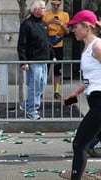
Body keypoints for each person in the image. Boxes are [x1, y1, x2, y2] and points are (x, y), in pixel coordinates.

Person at [63, 10, 101, 180]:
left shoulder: (97, 46)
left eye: (75, 26)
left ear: (86, 27)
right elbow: (91, 78)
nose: (73, 30)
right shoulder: (87, 49)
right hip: (94, 100)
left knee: (79, 144)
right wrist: (75, 92)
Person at [17, 0, 55, 120]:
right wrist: (24, 61)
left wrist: (52, 55)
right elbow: (21, 44)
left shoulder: (43, 24)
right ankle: (32, 110)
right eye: (43, 8)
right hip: (33, 61)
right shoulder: (26, 24)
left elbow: (46, 42)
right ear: (35, 10)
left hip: (43, 61)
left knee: (41, 86)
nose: (45, 10)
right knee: (34, 86)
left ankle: (27, 104)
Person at [42, 0, 69, 100]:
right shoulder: (46, 14)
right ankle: (41, 91)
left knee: (57, 70)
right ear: (51, 5)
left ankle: (56, 91)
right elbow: (41, 28)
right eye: (54, 5)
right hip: (48, 44)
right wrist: (50, 22)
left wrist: (60, 24)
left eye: (58, 5)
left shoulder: (64, 15)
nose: (56, 7)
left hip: (59, 43)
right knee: (45, 69)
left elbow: (67, 31)